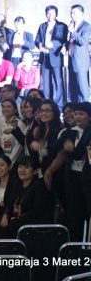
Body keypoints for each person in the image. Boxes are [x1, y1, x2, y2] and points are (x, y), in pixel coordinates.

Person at [44, 102, 91, 241]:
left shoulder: (89, 132)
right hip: (73, 177)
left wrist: (70, 150)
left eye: (81, 114)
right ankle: (74, 247)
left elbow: (78, 154)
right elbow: (54, 148)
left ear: (89, 116)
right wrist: (40, 148)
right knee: (74, 215)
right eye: (76, 114)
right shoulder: (70, 131)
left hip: (88, 179)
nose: (77, 117)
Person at [0, 156, 52, 238]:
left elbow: (37, 210)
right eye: (20, 167)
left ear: (34, 171)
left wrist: (19, 218)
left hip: (35, 221)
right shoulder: (17, 183)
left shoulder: (39, 186)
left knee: (12, 226)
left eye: (26, 167)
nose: (22, 170)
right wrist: (5, 215)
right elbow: (10, 202)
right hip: (18, 219)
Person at [35, 5, 68, 108]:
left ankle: (59, 106)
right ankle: (47, 104)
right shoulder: (42, 26)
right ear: (46, 14)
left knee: (58, 82)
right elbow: (37, 39)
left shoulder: (62, 26)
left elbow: (63, 40)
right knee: (45, 83)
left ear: (56, 14)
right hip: (44, 57)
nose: (50, 15)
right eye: (48, 13)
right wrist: (40, 45)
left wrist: (52, 44)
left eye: (52, 13)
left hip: (56, 56)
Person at [67, 4, 91, 103]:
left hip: (81, 62)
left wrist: (73, 31)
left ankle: (86, 110)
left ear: (81, 13)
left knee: (83, 89)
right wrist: (66, 46)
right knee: (73, 89)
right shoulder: (72, 25)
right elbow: (71, 42)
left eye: (74, 13)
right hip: (71, 61)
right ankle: (75, 109)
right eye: (71, 13)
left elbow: (83, 42)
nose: (72, 15)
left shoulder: (86, 26)